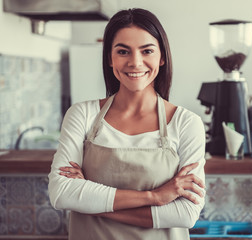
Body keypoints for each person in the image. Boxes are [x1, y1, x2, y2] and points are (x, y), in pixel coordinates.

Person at [47, 8, 206, 240]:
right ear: (110, 59)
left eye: (147, 51)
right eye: (123, 51)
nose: (135, 62)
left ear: (162, 57)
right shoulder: (82, 115)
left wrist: (90, 202)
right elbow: (61, 193)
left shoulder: (186, 124)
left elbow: (185, 213)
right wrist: (155, 197)